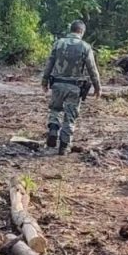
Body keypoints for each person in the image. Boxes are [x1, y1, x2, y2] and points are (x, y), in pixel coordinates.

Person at [41, 20, 101, 155]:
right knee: (70, 116)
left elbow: (49, 64)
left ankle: (53, 129)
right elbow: (92, 69)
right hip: (74, 87)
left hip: (57, 84)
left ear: (71, 29)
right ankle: (64, 146)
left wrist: (44, 81)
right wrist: (97, 87)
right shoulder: (85, 47)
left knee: (55, 109)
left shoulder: (58, 43)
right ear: (82, 31)